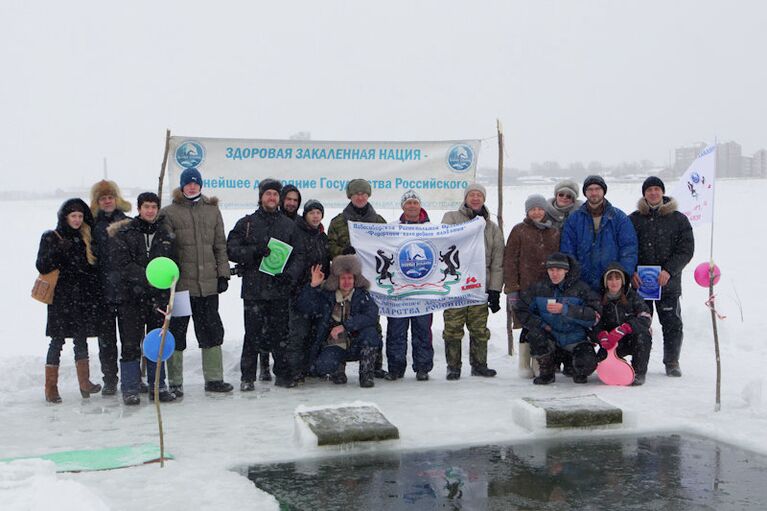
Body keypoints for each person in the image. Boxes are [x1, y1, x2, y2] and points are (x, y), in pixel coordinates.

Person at [227, 178, 305, 389]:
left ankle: (282, 374)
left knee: (281, 335)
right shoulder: (247, 223)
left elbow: (299, 256)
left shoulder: (289, 225)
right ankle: (247, 377)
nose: (271, 198)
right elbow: (231, 249)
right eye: (267, 194)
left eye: (275, 194)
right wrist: (253, 252)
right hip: (254, 289)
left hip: (279, 290)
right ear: (261, 197)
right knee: (252, 335)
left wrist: (289, 275)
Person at [162, 167, 233, 395]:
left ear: (200, 185)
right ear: (181, 186)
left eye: (195, 183)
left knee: (211, 331)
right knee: (177, 333)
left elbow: (220, 245)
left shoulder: (212, 211)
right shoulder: (169, 213)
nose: (192, 186)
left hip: (208, 285)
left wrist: (223, 274)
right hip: (181, 287)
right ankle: (175, 381)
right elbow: (165, 251)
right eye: (188, 183)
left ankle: (214, 379)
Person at [108, 192, 177, 404]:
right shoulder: (125, 233)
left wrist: (165, 285)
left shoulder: (165, 234)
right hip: (131, 298)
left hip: (157, 299)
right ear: (139, 209)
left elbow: (173, 264)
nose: (150, 211)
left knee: (157, 341)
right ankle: (130, 388)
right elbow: (121, 264)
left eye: (154, 207)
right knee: (130, 344)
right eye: (146, 207)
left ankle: (159, 385)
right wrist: (148, 277)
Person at [37, 198, 102, 403]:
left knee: (80, 339)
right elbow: (42, 265)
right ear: (65, 217)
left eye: (80, 216)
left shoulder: (85, 237)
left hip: (82, 298)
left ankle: (85, 383)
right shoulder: (51, 236)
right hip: (60, 299)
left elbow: (90, 269)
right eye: (73, 216)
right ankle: (51, 388)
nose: (76, 220)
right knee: (57, 340)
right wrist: (58, 250)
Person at [629, 176, 694, 377]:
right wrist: (631, 271)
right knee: (640, 324)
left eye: (657, 189)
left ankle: (672, 361)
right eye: (649, 190)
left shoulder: (678, 218)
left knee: (672, 324)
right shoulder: (633, 219)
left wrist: (669, 271)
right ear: (644, 194)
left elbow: (686, 250)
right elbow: (627, 248)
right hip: (641, 284)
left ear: (662, 192)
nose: (653, 193)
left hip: (668, 283)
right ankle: (640, 364)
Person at [441, 183, 505, 380]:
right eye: (472, 195)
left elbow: (497, 261)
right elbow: (443, 242)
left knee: (478, 328)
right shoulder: (451, 218)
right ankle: (453, 366)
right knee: (453, 328)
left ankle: (479, 364)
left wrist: (494, 290)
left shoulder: (492, 228)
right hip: (455, 284)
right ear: (466, 198)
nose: (475, 198)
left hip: (479, 285)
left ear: (484, 199)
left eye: (479, 195)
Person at [326, 178, 388, 378]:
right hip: (346, 283)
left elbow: (387, 247)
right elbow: (329, 248)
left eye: (363, 193)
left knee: (372, 321)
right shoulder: (338, 222)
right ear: (350, 196)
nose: (360, 197)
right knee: (341, 319)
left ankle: (374, 364)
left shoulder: (378, 222)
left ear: (368, 195)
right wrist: (342, 252)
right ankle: (338, 367)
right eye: (356, 194)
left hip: (371, 280)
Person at [513, 252, 601, 385]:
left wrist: (566, 310)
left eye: (558, 270)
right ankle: (547, 371)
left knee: (585, 365)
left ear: (566, 270)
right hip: (551, 339)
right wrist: (542, 325)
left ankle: (576, 367)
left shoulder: (581, 288)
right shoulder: (539, 288)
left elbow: (593, 316)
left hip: (576, 340)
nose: (554, 273)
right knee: (534, 334)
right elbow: (521, 309)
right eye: (551, 270)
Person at [296, 255, 382, 388]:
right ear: (337, 279)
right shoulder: (327, 295)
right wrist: (312, 286)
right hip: (335, 343)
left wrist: (345, 326)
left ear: (355, 279)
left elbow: (371, 315)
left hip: (357, 342)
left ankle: (366, 374)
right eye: (343, 278)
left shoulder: (362, 295)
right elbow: (305, 308)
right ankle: (338, 370)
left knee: (370, 333)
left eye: (350, 278)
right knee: (323, 366)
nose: (346, 282)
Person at [503, 194, 560, 378]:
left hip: (547, 289)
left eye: (540, 209)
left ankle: (539, 361)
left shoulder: (554, 232)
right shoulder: (519, 230)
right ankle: (523, 363)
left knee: (544, 325)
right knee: (527, 325)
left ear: (545, 210)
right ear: (527, 211)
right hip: (524, 288)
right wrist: (512, 288)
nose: (536, 212)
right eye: (533, 209)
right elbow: (510, 260)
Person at [384, 190, 434, 381]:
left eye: (415, 202)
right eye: (408, 203)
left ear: (420, 205)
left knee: (422, 331)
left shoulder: (432, 229)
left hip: (423, 290)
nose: (412, 206)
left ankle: (423, 368)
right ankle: (396, 368)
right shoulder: (391, 228)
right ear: (402, 206)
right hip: (399, 290)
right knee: (396, 331)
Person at [89, 180, 132, 396]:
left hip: (126, 291)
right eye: (103, 198)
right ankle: (110, 379)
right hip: (102, 292)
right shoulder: (92, 226)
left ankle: (130, 378)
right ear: (97, 202)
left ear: (116, 199)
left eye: (110, 197)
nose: (107, 201)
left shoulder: (128, 222)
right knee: (106, 342)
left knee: (130, 339)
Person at [560, 175, 638, 292]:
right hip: (582, 283)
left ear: (603, 191)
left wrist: (622, 275)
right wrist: (574, 276)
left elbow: (629, 248)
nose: (594, 193)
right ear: (585, 193)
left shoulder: (619, 217)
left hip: (612, 283)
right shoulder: (574, 219)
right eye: (590, 190)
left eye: (597, 189)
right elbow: (568, 250)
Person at [290, 199, 330, 383]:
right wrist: (307, 282)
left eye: (318, 213)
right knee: (299, 331)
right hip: (301, 289)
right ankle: (295, 369)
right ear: (305, 215)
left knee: (317, 331)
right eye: (312, 212)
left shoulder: (323, 237)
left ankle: (311, 367)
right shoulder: (297, 233)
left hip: (320, 290)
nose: (315, 216)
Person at [594, 264, 653, 386]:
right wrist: (600, 335)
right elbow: (592, 322)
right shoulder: (598, 299)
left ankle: (639, 372)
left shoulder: (632, 296)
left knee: (643, 336)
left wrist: (625, 328)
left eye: (617, 278)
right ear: (605, 282)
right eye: (610, 279)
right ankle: (616, 364)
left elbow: (645, 317)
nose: (614, 282)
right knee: (595, 362)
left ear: (623, 280)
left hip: (631, 339)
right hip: (611, 343)